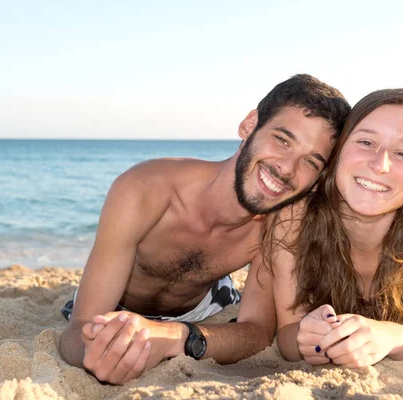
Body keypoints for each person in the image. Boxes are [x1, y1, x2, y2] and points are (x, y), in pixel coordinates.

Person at [58, 74, 351, 384]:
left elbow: (258, 332)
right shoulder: (144, 189)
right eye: (282, 139)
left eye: (310, 162)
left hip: (205, 305)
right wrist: (95, 354)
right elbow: (78, 329)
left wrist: (177, 337)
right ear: (249, 125)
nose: (287, 168)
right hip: (118, 304)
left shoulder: (278, 224)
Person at [267, 88, 403, 367]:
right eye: (365, 142)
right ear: (338, 151)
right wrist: (305, 337)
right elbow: (287, 335)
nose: (380, 164)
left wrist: (387, 336)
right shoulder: (295, 214)